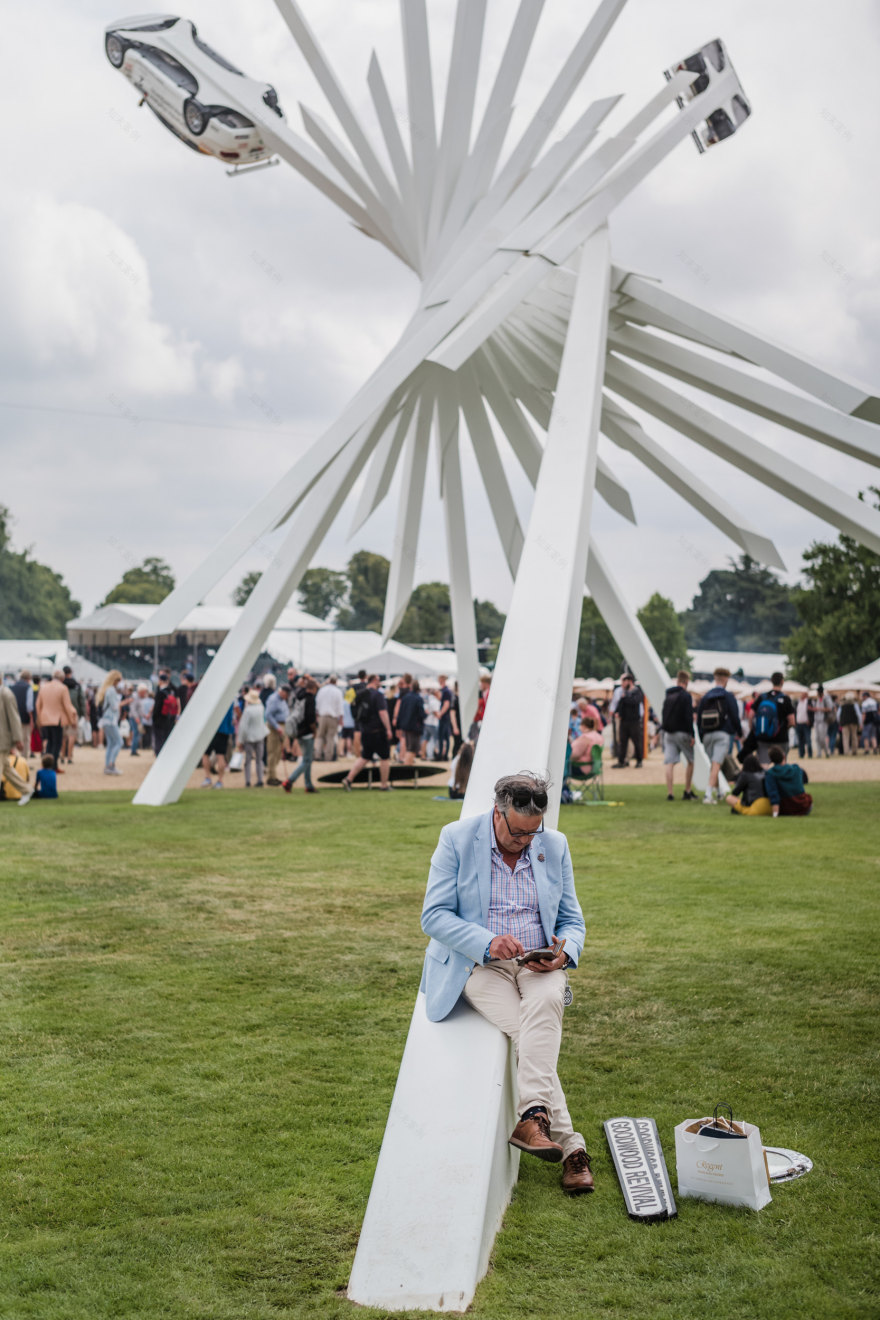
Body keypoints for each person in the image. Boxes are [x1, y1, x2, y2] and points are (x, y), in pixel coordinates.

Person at [420, 772, 592, 1194]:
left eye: (534, 834)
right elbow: (434, 915)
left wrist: (564, 953)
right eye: (518, 833)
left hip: (539, 965)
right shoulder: (457, 838)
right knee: (533, 1032)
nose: (526, 842)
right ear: (498, 813)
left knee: (546, 1009)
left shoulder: (553, 844)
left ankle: (534, 1121)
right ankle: (571, 1147)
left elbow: (572, 919)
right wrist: (487, 941)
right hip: (477, 965)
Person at [696, 667, 743, 805]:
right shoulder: (728, 696)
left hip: (707, 735)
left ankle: (718, 792)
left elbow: (699, 719)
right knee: (716, 765)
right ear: (726, 679)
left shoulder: (705, 697)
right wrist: (739, 733)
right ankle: (708, 794)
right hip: (722, 733)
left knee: (713, 764)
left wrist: (700, 736)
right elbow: (735, 716)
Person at [342, 674, 394, 791]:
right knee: (385, 757)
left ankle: (348, 779)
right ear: (374, 681)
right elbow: (383, 713)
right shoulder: (378, 695)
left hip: (365, 730)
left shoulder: (361, 694)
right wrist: (388, 729)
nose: (379, 682)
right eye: (379, 680)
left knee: (365, 757)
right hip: (378, 731)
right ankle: (384, 785)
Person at [661, 670, 697, 801]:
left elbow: (663, 713)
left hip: (668, 733)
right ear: (686, 682)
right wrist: (692, 735)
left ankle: (670, 793)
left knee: (669, 763)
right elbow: (688, 717)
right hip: (682, 732)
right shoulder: (686, 696)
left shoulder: (669, 695)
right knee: (691, 761)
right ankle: (687, 790)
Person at [36, 670, 78, 771]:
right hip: (57, 720)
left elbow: (38, 705)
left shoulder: (43, 687)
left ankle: (46, 765)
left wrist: (39, 718)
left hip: (45, 719)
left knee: (49, 743)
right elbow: (67, 706)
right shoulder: (63, 688)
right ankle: (53, 766)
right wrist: (73, 720)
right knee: (56, 744)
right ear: (62, 679)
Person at [752, 673, 796, 766]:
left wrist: (755, 729)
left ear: (771, 681)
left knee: (763, 765)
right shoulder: (785, 699)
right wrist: (784, 728)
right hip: (781, 738)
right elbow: (792, 721)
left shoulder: (762, 697)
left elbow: (750, 714)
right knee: (781, 766)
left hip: (763, 737)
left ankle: (765, 780)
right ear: (782, 682)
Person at [284, 678, 319, 793]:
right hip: (307, 732)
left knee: (307, 759)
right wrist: (314, 731)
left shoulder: (299, 696)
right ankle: (290, 781)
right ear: (313, 689)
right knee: (307, 760)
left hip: (298, 730)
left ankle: (308, 785)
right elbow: (311, 718)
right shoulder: (310, 699)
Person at [0, 681, 32, 805]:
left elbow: (14, 717)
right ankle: (26, 790)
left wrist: (18, 738)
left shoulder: (6, 694)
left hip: (3, 739)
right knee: (6, 768)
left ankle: (26, 790)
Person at [765, 745, 813, 816]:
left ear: (771, 760)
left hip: (786, 808)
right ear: (784, 756)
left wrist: (775, 814)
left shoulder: (771, 774)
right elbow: (805, 780)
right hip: (804, 806)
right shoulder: (796, 769)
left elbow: (773, 794)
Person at [237, 688, 267, 787]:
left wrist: (240, 740)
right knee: (259, 760)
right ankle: (260, 779)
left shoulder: (248, 711)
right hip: (260, 736)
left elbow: (243, 727)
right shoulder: (261, 708)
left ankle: (248, 781)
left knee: (248, 760)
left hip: (249, 738)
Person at [613, 673, 644, 769]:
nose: (623, 683)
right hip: (624, 721)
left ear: (630, 681)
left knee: (636, 742)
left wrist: (625, 698)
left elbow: (634, 701)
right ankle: (621, 761)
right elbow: (620, 704)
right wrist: (617, 712)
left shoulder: (637, 691)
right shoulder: (625, 692)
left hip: (634, 722)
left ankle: (639, 761)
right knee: (623, 742)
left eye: (624, 681)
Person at [96, 670, 124, 775]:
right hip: (111, 720)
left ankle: (108, 765)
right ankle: (111, 765)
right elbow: (114, 706)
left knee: (111, 744)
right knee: (119, 742)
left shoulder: (106, 690)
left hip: (106, 720)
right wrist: (123, 703)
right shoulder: (111, 690)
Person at [201, 704, 234, 788]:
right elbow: (231, 718)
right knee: (220, 755)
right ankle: (220, 780)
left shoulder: (213, 699)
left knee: (205, 754)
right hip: (224, 731)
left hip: (210, 730)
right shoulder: (230, 701)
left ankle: (208, 777)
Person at [395, 677, 426, 766]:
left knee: (409, 747)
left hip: (406, 726)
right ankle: (407, 767)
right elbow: (421, 714)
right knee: (412, 749)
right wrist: (425, 715)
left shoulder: (405, 697)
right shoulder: (418, 698)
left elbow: (400, 713)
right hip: (415, 727)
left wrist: (398, 727)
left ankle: (408, 765)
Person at [264, 683, 291, 785]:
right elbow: (268, 715)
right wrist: (277, 727)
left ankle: (273, 774)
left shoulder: (282, 700)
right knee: (272, 752)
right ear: (282, 692)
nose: (287, 697)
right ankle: (271, 777)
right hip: (274, 727)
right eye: (287, 694)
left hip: (281, 726)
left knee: (278, 752)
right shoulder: (274, 699)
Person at [315, 674, 344, 761]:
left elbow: (317, 704)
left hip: (322, 716)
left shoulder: (322, 690)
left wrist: (317, 716)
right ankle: (328, 757)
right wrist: (341, 720)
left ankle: (318, 755)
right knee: (330, 737)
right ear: (336, 681)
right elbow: (340, 707)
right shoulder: (338, 692)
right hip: (333, 717)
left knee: (320, 736)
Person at [152, 671, 180, 755]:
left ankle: (159, 755)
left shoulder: (160, 693)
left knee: (159, 739)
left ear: (160, 681)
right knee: (167, 739)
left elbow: (157, 708)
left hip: (160, 720)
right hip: (170, 719)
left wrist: (154, 719)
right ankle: (167, 754)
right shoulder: (173, 691)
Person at [10, 670, 35, 758]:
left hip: (13, 716)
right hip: (24, 717)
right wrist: (32, 718)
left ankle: (14, 759)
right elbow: (29, 706)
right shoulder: (28, 687)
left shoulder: (12, 687)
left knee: (14, 739)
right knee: (25, 739)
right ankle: (23, 760)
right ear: (28, 678)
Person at [810, 685, 833, 757]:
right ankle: (819, 753)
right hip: (817, 720)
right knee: (817, 738)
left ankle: (827, 752)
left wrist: (818, 709)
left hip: (824, 720)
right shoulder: (817, 699)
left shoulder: (826, 698)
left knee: (822, 738)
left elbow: (829, 708)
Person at [838, 691, 862, 756]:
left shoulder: (842, 704)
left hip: (844, 722)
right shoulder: (855, 704)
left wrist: (839, 722)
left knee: (845, 737)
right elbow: (858, 714)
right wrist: (860, 723)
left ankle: (846, 752)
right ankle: (854, 751)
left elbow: (838, 714)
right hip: (853, 722)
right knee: (854, 736)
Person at [437, 675, 454, 760]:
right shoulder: (444, 691)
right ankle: (444, 754)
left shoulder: (446, 691)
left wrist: (440, 713)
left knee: (443, 737)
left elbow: (446, 704)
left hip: (444, 717)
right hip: (445, 717)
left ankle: (442, 755)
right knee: (445, 737)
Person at [794, 693, 813, 759]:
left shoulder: (809, 702)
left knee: (808, 740)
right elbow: (795, 712)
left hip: (806, 724)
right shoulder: (797, 702)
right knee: (800, 740)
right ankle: (801, 754)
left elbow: (812, 713)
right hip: (798, 724)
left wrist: (810, 721)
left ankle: (810, 754)